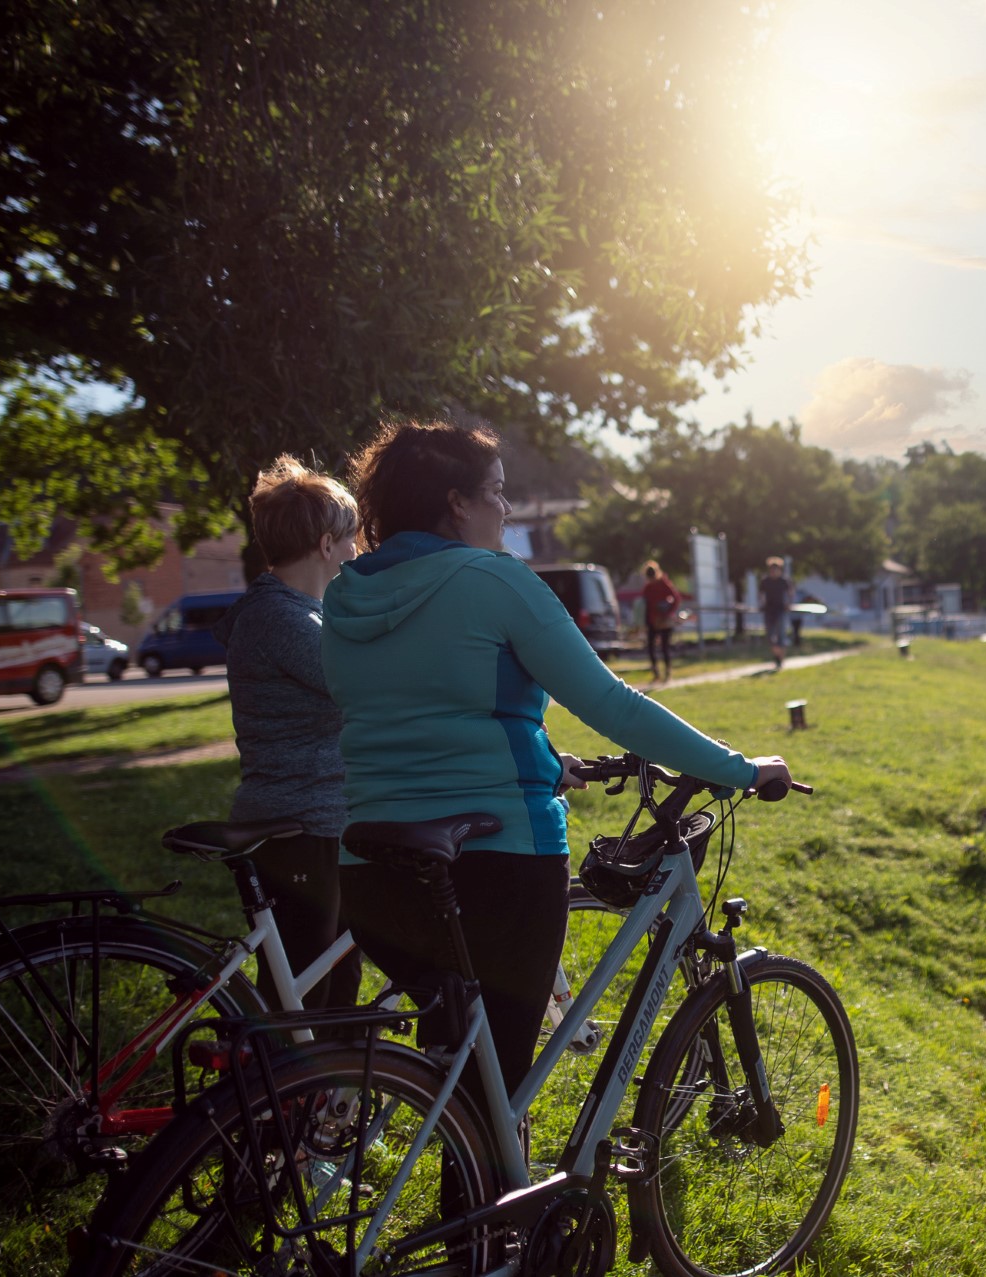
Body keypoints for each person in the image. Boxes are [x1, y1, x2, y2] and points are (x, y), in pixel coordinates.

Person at [321, 421, 789, 1093]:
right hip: (493, 866)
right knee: (497, 1089)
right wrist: (741, 768)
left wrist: (539, 755)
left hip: (373, 872)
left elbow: (415, 717)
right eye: (499, 492)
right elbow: (615, 704)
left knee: (455, 1075)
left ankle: (470, 1179)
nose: (507, 511)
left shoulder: (345, 595)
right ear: (458, 501)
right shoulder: (493, 580)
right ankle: (487, 1195)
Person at [212, 456, 364, 1022]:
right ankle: (271, 1102)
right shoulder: (280, 619)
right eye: (352, 540)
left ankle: (319, 1103)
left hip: (321, 821)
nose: (358, 553)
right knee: (304, 990)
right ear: (327, 545)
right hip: (299, 826)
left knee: (334, 975)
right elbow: (358, 685)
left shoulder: (301, 613)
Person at [640, 560, 681, 683]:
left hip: (665, 621)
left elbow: (676, 599)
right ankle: (656, 674)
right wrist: (646, 623)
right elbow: (645, 606)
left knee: (664, 648)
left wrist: (668, 613)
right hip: (652, 621)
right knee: (651, 648)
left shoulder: (664, 583)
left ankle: (668, 673)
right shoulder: (647, 588)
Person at [760, 556, 792, 670]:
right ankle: (777, 656)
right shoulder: (765, 581)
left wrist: (789, 604)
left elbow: (790, 594)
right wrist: (762, 604)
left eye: (775, 569)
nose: (773, 571)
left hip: (781, 611)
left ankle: (780, 659)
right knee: (770, 636)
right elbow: (761, 595)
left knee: (781, 636)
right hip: (769, 611)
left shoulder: (784, 581)